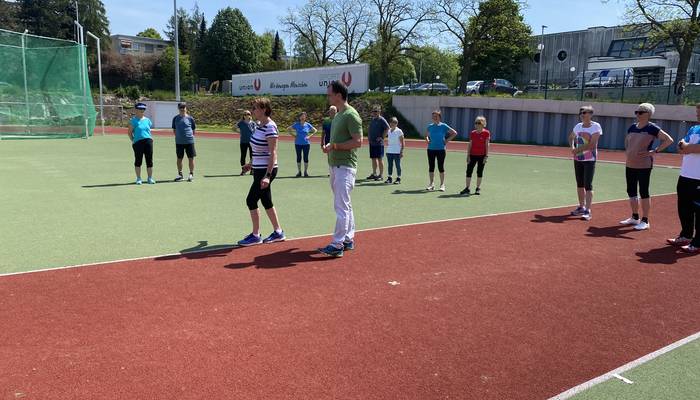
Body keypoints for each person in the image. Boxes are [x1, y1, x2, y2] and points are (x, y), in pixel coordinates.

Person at [318, 81, 363, 257]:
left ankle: (337, 244)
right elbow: (340, 140)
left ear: (338, 95)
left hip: (345, 166)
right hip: (335, 165)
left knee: (341, 206)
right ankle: (347, 239)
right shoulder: (338, 116)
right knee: (345, 204)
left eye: (329, 94)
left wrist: (335, 146)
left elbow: (358, 142)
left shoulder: (351, 115)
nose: (327, 97)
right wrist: (331, 145)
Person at [237, 97, 285, 246]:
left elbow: (273, 153)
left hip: (266, 170)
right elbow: (259, 150)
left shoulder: (271, 127)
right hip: (258, 169)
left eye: (255, 108)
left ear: (264, 110)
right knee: (266, 200)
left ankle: (256, 235)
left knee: (251, 200)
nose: (253, 111)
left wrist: (267, 176)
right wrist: (250, 164)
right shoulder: (259, 125)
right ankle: (278, 232)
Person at [620, 103, 674, 230]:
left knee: (644, 191)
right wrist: (628, 151)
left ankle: (645, 220)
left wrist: (655, 151)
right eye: (636, 112)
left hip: (644, 165)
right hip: (630, 164)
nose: (637, 114)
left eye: (640, 112)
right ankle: (634, 217)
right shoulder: (632, 127)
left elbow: (669, 140)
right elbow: (627, 141)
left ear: (648, 114)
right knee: (631, 191)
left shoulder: (652, 128)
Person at [667, 103, 700, 253]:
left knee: (698, 210)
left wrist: (687, 147)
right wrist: (687, 147)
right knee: (684, 207)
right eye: (697, 112)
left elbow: (694, 148)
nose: (697, 114)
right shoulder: (694, 128)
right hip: (686, 175)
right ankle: (686, 235)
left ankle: (698, 242)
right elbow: (680, 147)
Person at [567, 106, 602, 220]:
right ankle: (581, 207)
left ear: (591, 114)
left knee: (588, 185)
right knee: (579, 184)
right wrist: (572, 147)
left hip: (590, 160)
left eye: (585, 112)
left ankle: (588, 210)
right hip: (578, 159)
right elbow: (571, 137)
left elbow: (592, 144)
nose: (582, 114)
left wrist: (577, 150)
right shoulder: (578, 126)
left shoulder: (596, 126)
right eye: (581, 112)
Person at [425, 110, 458, 191]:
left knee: (441, 167)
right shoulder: (430, 126)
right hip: (431, 149)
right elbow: (426, 135)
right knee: (431, 167)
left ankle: (442, 185)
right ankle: (431, 184)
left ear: (439, 117)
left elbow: (454, 133)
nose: (434, 118)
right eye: (433, 116)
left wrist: (447, 140)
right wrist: (427, 140)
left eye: (436, 116)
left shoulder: (443, 126)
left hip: (441, 149)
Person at [460, 116, 491, 196]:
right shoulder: (472, 133)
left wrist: (486, 156)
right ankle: (467, 188)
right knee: (469, 171)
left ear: (483, 124)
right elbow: (470, 144)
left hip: (482, 155)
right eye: (476, 123)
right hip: (472, 155)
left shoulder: (486, 133)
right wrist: (468, 155)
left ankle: (478, 188)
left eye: (479, 123)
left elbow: (487, 145)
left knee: (479, 172)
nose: (477, 124)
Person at [128, 102, 155, 185]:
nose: (142, 110)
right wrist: (134, 141)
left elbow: (148, 130)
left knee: (149, 161)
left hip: (148, 141)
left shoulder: (147, 120)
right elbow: (130, 133)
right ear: (136, 110)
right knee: (138, 161)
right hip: (138, 143)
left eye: (143, 109)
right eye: (140, 109)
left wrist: (150, 138)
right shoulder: (133, 121)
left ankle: (150, 178)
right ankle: (138, 178)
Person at [172, 102, 196, 182]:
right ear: (178, 109)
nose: (182, 109)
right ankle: (180, 175)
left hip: (189, 142)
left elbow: (193, 130)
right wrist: (179, 137)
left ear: (186, 108)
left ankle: (191, 174)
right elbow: (174, 130)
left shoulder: (190, 118)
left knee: (191, 158)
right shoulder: (175, 118)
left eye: (184, 107)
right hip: (179, 142)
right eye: (180, 108)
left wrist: (189, 137)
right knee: (179, 159)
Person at [288, 111, 317, 177]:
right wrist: (294, 135)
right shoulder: (296, 124)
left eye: (304, 116)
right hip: (298, 143)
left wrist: (310, 136)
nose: (303, 117)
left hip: (306, 144)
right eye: (301, 116)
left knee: (305, 158)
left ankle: (305, 172)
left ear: (305, 117)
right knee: (299, 157)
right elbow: (288, 129)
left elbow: (315, 130)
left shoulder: (308, 125)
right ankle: (299, 172)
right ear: (299, 117)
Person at [366, 105, 389, 181]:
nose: (374, 113)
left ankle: (381, 175)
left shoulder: (382, 120)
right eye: (373, 111)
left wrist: (382, 137)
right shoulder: (373, 120)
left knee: (379, 159)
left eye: (376, 111)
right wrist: (369, 137)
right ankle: (374, 173)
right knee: (373, 159)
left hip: (379, 144)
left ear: (379, 111)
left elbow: (387, 128)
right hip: (372, 143)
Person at [385, 117, 404, 184]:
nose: (393, 124)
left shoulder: (399, 131)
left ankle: (398, 178)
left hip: (397, 151)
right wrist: (387, 151)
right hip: (389, 151)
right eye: (392, 122)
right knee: (390, 165)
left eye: (395, 123)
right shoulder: (389, 131)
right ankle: (389, 178)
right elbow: (389, 141)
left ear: (397, 123)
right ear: (390, 123)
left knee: (397, 165)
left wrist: (401, 151)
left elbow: (402, 142)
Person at [237, 110, 255, 176]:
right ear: (243, 116)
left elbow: (255, 131)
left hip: (252, 142)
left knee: (252, 156)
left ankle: (252, 170)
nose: (247, 115)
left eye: (248, 114)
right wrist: (240, 132)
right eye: (245, 114)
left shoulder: (253, 123)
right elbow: (233, 128)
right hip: (243, 142)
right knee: (243, 156)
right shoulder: (241, 123)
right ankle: (243, 170)